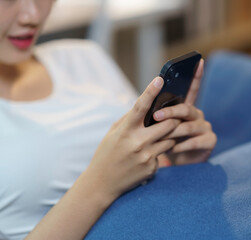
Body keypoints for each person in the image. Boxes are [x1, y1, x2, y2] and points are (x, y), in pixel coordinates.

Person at [0, 0, 217, 239]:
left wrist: (180, 161)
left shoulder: (84, 56)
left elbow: (151, 165)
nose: (32, 15)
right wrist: (101, 183)